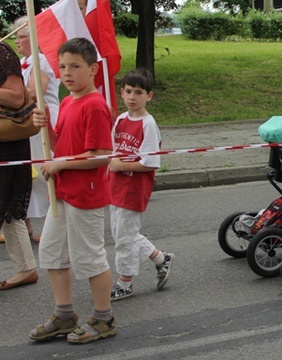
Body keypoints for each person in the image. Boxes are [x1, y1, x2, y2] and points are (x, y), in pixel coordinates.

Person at [29, 38, 116, 343]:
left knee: (90, 257)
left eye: (75, 66)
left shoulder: (94, 105)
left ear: (92, 69)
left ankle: (104, 318)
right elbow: (59, 144)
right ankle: (64, 314)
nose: (67, 72)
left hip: (86, 194)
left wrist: (61, 164)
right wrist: (45, 127)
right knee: (53, 252)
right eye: (63, 66)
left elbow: (102, 154)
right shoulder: (67, 102)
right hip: (63, 191)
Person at [109, 68, 174, 301]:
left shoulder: (148, 124)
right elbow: (113, 151)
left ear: (149, 96)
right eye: (128, 91)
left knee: (124, 238)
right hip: (115, 187)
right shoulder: (120, 120)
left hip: (134, 189)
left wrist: (118, 165)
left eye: (138, 92)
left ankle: (125, 282)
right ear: (121, 92)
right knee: (121, 234)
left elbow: (151, 163)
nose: (132, 97)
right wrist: (112, 165)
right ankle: (160, 258)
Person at [13, 17, 60, 243]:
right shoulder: (26, 63)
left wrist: (8, 95)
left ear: (33, 39)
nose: (16, 41)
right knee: (27, 175)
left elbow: (34, 92)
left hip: (43, 121)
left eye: (20, 37)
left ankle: (56, 224)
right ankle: (27, 226)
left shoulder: (40, 61)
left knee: (44, 174)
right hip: (30, 123)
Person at [0, 42, 38, 291]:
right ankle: (26, 268)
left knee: (7, 203)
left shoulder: (2, 54)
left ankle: (27, 268)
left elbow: (15, 97)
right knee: (8, 209)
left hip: (7, 145)